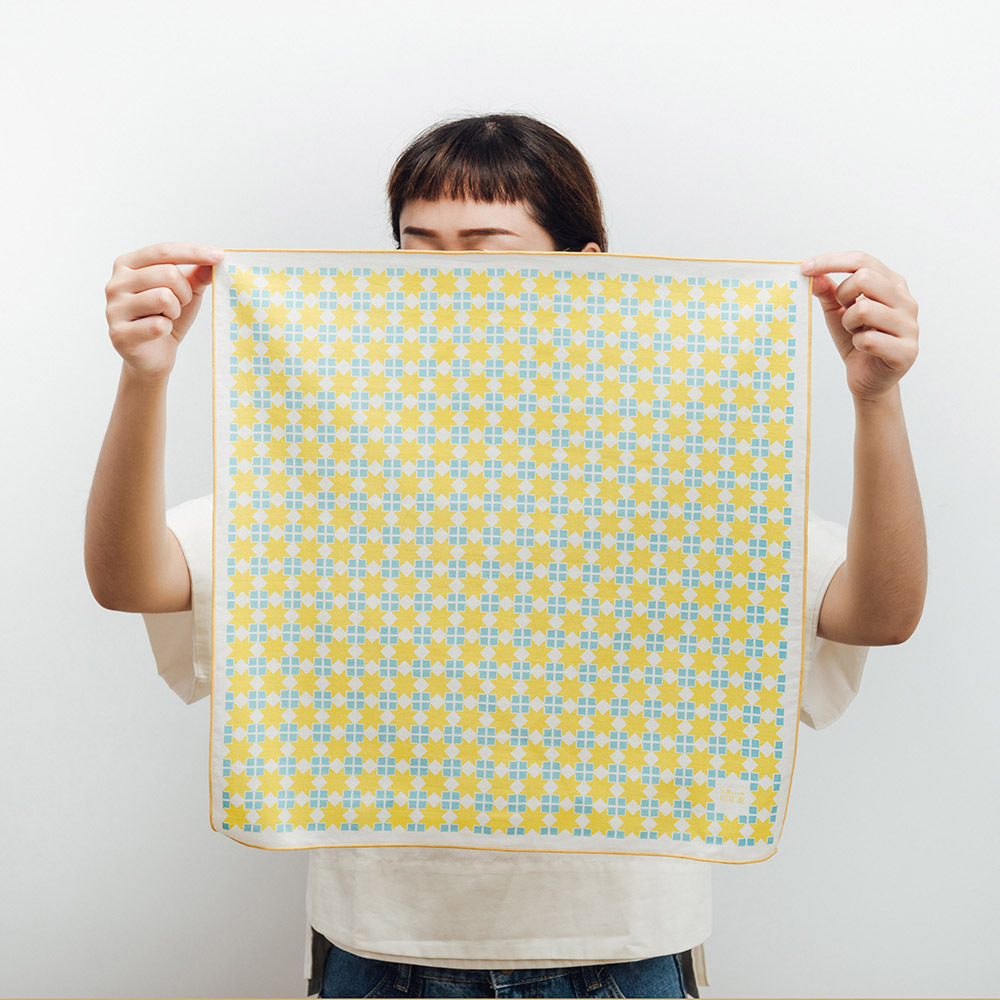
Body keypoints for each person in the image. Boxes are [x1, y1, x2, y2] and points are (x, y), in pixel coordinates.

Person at [85, 113, 926, 999]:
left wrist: (878, 401)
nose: (446, 280)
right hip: (378, 948)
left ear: (586, 268)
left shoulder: (669, 453)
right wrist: (144, 376)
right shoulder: (338, 449)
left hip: (622, 952)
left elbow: (878, 614)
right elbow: (132, 578)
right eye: (418, 250)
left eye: (485, 248)